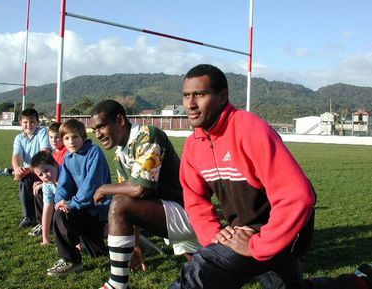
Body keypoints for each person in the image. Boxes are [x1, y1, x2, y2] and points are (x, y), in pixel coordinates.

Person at [168, 64, 316, 289]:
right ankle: (358, 281)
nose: (191, 103)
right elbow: (195, 201)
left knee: (203, 269)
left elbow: (298, 196)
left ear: (222, 96)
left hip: (285, 231)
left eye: (200, 94)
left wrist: (260, 245)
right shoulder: (193, 146)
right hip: (246, 232)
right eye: (186, 95)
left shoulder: (249, 128)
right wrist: (215, 236)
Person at [90, 99, 201, 289]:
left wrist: (103, 188)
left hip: (190, 212)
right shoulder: (120, 154)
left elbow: (140, 189)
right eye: (95, 130)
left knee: (118, 202)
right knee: (207, 271)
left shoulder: (148, 135)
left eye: (101, 127)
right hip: (169, 212)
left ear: (120, 120)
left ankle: (117, 285)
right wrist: (133, 245)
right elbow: (132, 198)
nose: (98, 134)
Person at [46, 119, 111, 277]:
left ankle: (133, 240)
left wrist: (71, 203)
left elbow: (91, 186)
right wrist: (59, 201)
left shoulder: (94, 152)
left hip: (98, 209)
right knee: (60, 214)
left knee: (100, 252)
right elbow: (63, 185)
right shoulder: (68, 158)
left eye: (75, 137)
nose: (71, 141)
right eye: (67, 138)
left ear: (83, 136)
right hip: (80, 209)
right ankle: (71, 260)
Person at [12, 108, 51, 229]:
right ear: (21, 124)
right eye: (25, 122)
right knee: (25, 182)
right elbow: (16, 156)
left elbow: (45, 153)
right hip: (30, 171)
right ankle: (29, 216)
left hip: (46, 170)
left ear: (38, 123)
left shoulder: (42, 132)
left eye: (32, 122)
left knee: (41, 190)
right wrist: (17, 168)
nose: (29, 125)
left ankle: (42, 219)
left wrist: (29, 168)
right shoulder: (19, 138)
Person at [28, 122, 68, 238]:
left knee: (41, 193)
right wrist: (43, 182)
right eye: (51, 137)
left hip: (66, 192)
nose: (53, 140)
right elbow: (50, 174)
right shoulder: (55, 154)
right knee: (38, 191)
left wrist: (44, 183)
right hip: (54, 186)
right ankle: (44, 224)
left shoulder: (67, 153)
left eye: (57, 137)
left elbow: (59, 174)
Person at [30, 151, 59, 245]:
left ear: (55, 164)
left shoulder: (67, 176)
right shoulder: (47, 184)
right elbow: (47, 209)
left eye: (46, 170)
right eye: (40, 175)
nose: (45, 176)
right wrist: (45, 238)